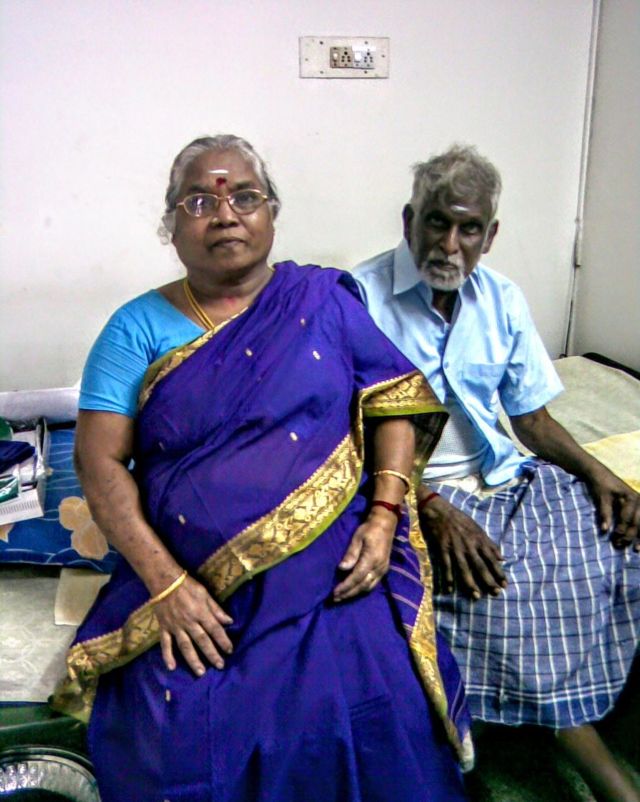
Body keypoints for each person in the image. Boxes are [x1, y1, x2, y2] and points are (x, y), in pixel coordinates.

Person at [52, 135, 473, 802]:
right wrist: (166, 587)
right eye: (200, 201)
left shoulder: (323, 301)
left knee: (377, 703)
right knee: (184, 725)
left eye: (244, 197)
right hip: (190, 575)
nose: (225, 214)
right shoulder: (135, 328)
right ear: (171, 227)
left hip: (333, 565)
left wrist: (386, 516)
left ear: (271, 213)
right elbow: (97, 460)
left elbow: (392, 402)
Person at [354, 144, 640, 802]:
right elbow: (345, 435)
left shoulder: (501, 299)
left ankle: (591, 712)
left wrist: (599, 473)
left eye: (469, 228)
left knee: (620, 538)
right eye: (436, 222)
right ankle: (596, 765)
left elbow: (530, 419)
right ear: (409, 220)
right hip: (416, 492)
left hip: (506, 476)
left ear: (490, 234)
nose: (449, 244)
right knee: (499, 586)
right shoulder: (359, 299)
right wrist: (430, 507)